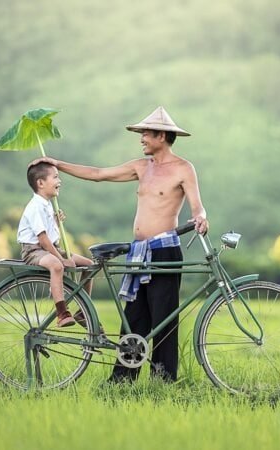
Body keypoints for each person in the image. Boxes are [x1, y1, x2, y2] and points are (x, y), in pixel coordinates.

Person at [31, 106, 209, 382]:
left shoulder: (184, 169)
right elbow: (98, 173)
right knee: (134, 316)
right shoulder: (142, 167)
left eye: (145, 134)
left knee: (163, 317)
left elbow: (197, 207)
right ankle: (122, 379)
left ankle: (162, 379)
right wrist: (57, 164)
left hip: (164, 250)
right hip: (138, 251)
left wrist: (200, 218)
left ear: (162, 136)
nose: (141, 139)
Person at [17, 161, 94, 327]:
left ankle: (82, 311)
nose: (60, 181)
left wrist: (56, 223)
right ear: (40, 183)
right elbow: (43, 239)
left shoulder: (47, 204)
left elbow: (50, 236)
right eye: (56, 177)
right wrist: (61, 259)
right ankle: (62, 313)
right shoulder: (35, 206)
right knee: (57, 266)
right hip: (34, 250)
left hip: (50, 248)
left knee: (89, 265)